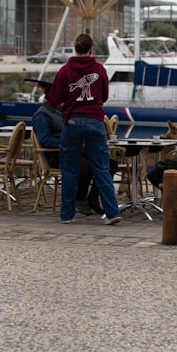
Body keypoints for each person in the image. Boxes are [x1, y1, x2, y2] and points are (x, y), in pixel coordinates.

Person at [48, 33, 122, 225]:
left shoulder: (65, 71)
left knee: (70, 169)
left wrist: (66, 105)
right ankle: (112, 212)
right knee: (101, 168)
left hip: (72, 120)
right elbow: (104, 96)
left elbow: (54, 99)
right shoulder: (100, 69)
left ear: (74, 49)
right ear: (91, 50)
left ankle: (67, 215)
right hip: (95, 121)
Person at [31, 93, 118, 216]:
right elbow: (45, 140)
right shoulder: (42, 115)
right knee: (85, 167)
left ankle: (93, 198)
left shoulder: (65, 112)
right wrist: (68, 143)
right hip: (58, 155)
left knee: (110, 164)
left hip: (78, 151)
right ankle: (80, 198)